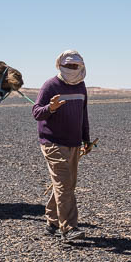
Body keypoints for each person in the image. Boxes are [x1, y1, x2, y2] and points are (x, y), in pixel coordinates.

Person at [32, 50, 93, 241]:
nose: (72, 69)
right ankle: (69, 228)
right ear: (60, 65)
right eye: (68, 66)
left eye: (75, 66)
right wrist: (50, 108)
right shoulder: (50, 86)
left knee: (65, 184)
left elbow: (83, 114)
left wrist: (86, 139)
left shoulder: (81, 87)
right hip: (52, 142)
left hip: (73, 142)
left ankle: (52, 221)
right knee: (65, 183)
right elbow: (36, 112)